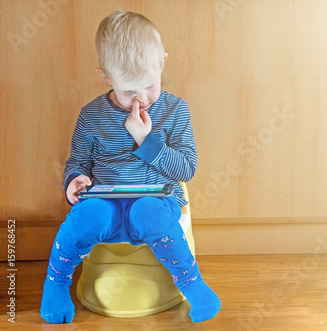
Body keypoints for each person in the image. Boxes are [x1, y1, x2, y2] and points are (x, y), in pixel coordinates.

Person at [40, 9, 220, 324]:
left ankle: (192, 283)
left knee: (146, 213)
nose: (142, 99)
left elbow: (186, 169)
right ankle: (55, 283)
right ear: (105, 75)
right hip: (105, 203)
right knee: (85, 218)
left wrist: (146, 140)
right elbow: (78, 162)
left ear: (163, 62)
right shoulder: (91, 115)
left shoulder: (176, 110)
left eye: (150, 86)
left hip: (157, 202)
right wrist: (75, 181)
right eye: (128, 91)